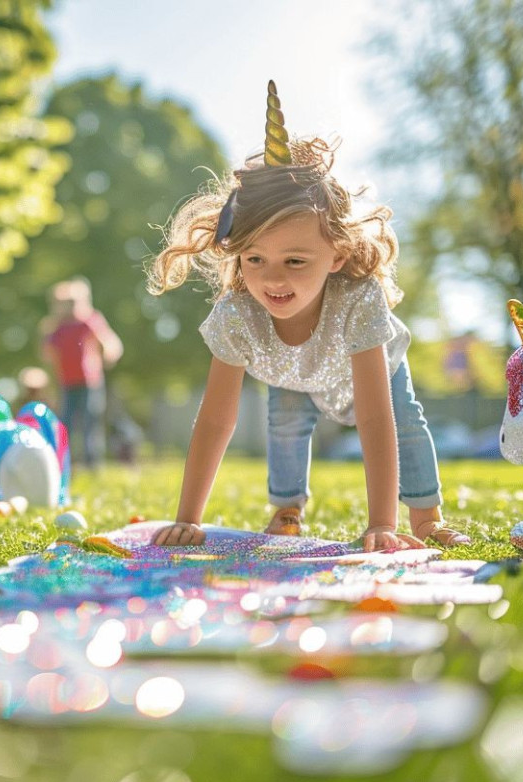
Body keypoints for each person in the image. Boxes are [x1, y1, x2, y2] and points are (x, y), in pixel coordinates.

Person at [144, 82, 467, 551]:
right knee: (286, 422)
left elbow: (375, 418)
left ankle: (425, 518)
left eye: (295, 260)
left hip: (374, 369)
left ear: (337, 255)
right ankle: (287, 509)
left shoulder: (358, 300)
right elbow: (215, 420)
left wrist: (381, 523)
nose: (272, 279)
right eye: (255, 259)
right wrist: (187, 520)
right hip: (291, 372)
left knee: (405, 419)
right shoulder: (237, 315)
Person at [40, 278, 124, 467]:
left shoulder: (88, 321)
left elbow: (109, 343)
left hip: (89, 381)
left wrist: (107, 354)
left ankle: (91, 462)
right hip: (66, 382)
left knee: (89, 421)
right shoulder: (57, 328)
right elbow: (48, 354)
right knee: (65, 422)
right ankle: (64, 462)